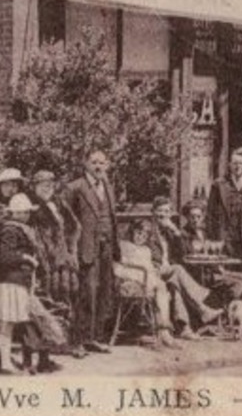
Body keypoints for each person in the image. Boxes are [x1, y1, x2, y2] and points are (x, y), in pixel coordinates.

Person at [62, 148, 119, 353]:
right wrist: (70, 250)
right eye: (94, 162)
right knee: (86, 293)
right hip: (85, 247)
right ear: (85, 163)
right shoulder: (74, 188)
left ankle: (94, 337)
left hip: (106, 246)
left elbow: (111, 217)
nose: (98, 166)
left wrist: (114, 247)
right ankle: (77, 341)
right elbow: (66, 222)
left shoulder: (107, 186)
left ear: (107, 165)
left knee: (104, 292)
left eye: (102, 163)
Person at [0, 193, 40, 375]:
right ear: (18, 213)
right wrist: (26, 257)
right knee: (7, 324)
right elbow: (5, 256)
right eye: (25, 212)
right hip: (11, 282)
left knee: (1, 325)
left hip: (10, 281)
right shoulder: (10, 230)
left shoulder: (13, 228)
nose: (27, 215)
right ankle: (5, 363)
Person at [147, 196, 223, 335]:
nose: (163, 215)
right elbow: (135, 249)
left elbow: (184, 252)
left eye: (167, 211)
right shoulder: (146, 229)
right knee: (178, 269)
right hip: (153, 271)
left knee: (175, 286)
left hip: (168, 272)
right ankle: (202, 307)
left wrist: (176, 232)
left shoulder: (170, 231)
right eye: (160, 211)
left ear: (170, 214)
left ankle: (185, 328)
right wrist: (152, 266)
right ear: (153, 212)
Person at [28, 169, 83, 357]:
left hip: (64, 259)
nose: (46, 188)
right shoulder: (32, 206)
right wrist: (43, 254)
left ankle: (67, 340)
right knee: (48, 297)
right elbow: (32, 234)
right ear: (34, 186)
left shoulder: (59, 203)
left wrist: (71, 248)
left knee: (68, 295)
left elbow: (75, 225)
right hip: (45, 260)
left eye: (50, 185)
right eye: (42, 185)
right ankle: (51, 341)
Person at [115, 217, 177, 349]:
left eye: (144, 235)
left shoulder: (146, 250)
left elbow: (148, 267)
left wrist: (154, 270)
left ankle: (163, 330)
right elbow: (119, 266)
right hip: (130, 278)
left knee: (161, 288)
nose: (140, 237)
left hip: (146, 279)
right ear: (132, 231)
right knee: (161, 289)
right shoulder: (124, 245)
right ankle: (164, 332)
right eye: (138, 233)